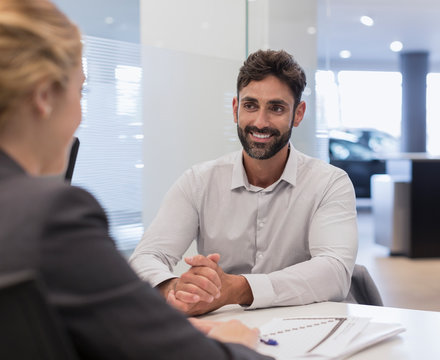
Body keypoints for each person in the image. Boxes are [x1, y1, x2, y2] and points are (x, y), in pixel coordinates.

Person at [0, 1, 272, 359]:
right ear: (44, 96)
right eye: (80, 92)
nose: (81, 115)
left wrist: (150, 327)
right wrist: (234, 344)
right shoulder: (50, 214)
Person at [129, 49, 358, 316]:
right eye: (250, 106)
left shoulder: (330, 183)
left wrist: (237, 289)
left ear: (298, 114)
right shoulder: (198, 181)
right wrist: (176, 288)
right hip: (225, 332)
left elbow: (335, 271)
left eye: (276, 108)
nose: (260, 122)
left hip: (307, 329)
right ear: (236, 109)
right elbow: (144, 258)